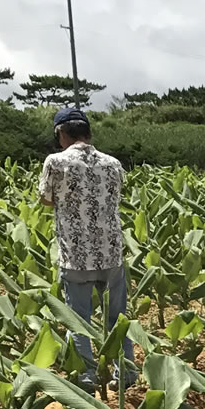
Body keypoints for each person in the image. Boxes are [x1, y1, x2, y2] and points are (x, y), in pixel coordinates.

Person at [39, 107, 133, 392]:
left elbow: (46, 199)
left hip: (76, 256)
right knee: (117, 317)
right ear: (89, 133)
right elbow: (114, 196)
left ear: (61, 133)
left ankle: (87, 377)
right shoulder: (113, 163)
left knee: (78, 319)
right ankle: (126, 374)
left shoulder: (56, 161)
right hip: (111, 251)